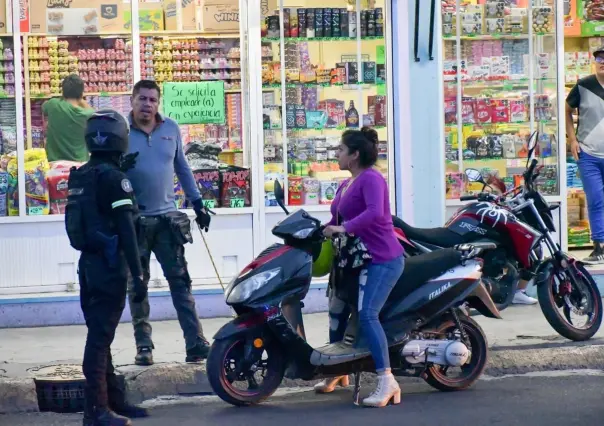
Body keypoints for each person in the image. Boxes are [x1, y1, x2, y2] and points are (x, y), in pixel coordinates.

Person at [65, 109, 149, 425]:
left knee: (101, 336)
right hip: (110, 266)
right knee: (99, 341)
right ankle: (96, 411)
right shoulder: (114, 178)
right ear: (121, 139)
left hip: (88, 265)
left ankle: (112, 399)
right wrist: (138, 274)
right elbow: (127, 229)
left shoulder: (83, 174)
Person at [124, 80, 212, 366]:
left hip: (167, 222)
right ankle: (144, 346)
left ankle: (195, 343)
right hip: (134, 223)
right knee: (138, 286)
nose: (147, 105)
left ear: (158, 103)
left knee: (181, 282)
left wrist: (198, 203)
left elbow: (182, 168)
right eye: (142, 99)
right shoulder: (120, 132)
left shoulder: (171, 129)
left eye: (152, 100)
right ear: (132, 101)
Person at [317, 126, 405, 408]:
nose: (337, 154)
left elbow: (375, 213)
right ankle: (338, 369)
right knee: (337, 312)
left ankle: (387, 380)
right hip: (352, 260)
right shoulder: (347, 182)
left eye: (341, 150)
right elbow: (337, 216)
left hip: (380, 258)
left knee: (367, 315)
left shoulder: (372, 179)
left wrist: (343, 228)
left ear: (354, 155)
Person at [566, 45, 604, 264]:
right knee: (596, 200)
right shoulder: (583, 85)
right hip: (588, 154)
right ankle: (599, 247)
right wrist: (572, 139)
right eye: (599, 57)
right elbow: (567, 109)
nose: (602, 61)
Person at [43, 74, 94, 162]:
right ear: (81, 93)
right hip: (79, 163)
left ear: (63, 91)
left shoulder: (53, 105)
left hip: (54, 163)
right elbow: (92, 111)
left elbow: (44, 108)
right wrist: (81, 100)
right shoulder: (88, 114)